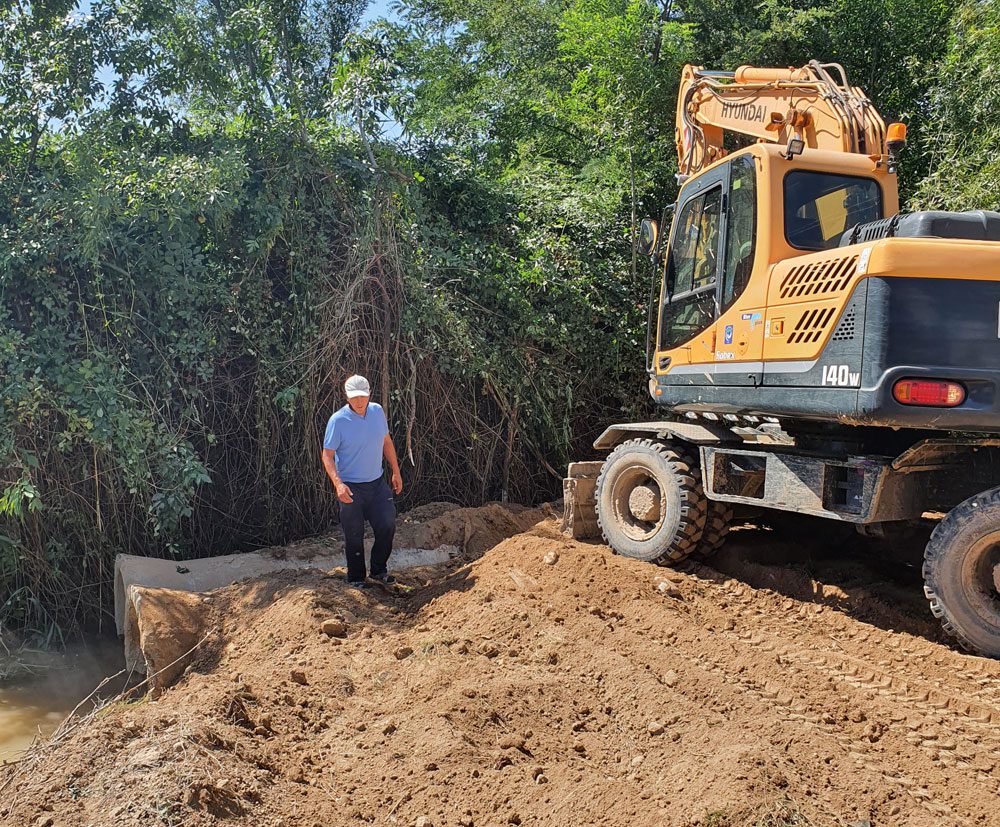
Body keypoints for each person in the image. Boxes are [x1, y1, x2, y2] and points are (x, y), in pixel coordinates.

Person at [321, 375, 404, 587]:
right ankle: (356, 578)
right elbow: (327, 455)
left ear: (369, 395)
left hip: (376, 483)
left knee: (387, 525)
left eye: (362, 397)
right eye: (354, 397)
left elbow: (386, 441)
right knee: (354, 534)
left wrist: (396, 471)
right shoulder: (338, 421)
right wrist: (338, 484)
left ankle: (378, 571)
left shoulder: (377, 412)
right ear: (346, 397)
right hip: (350, 487)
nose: (359, 402)